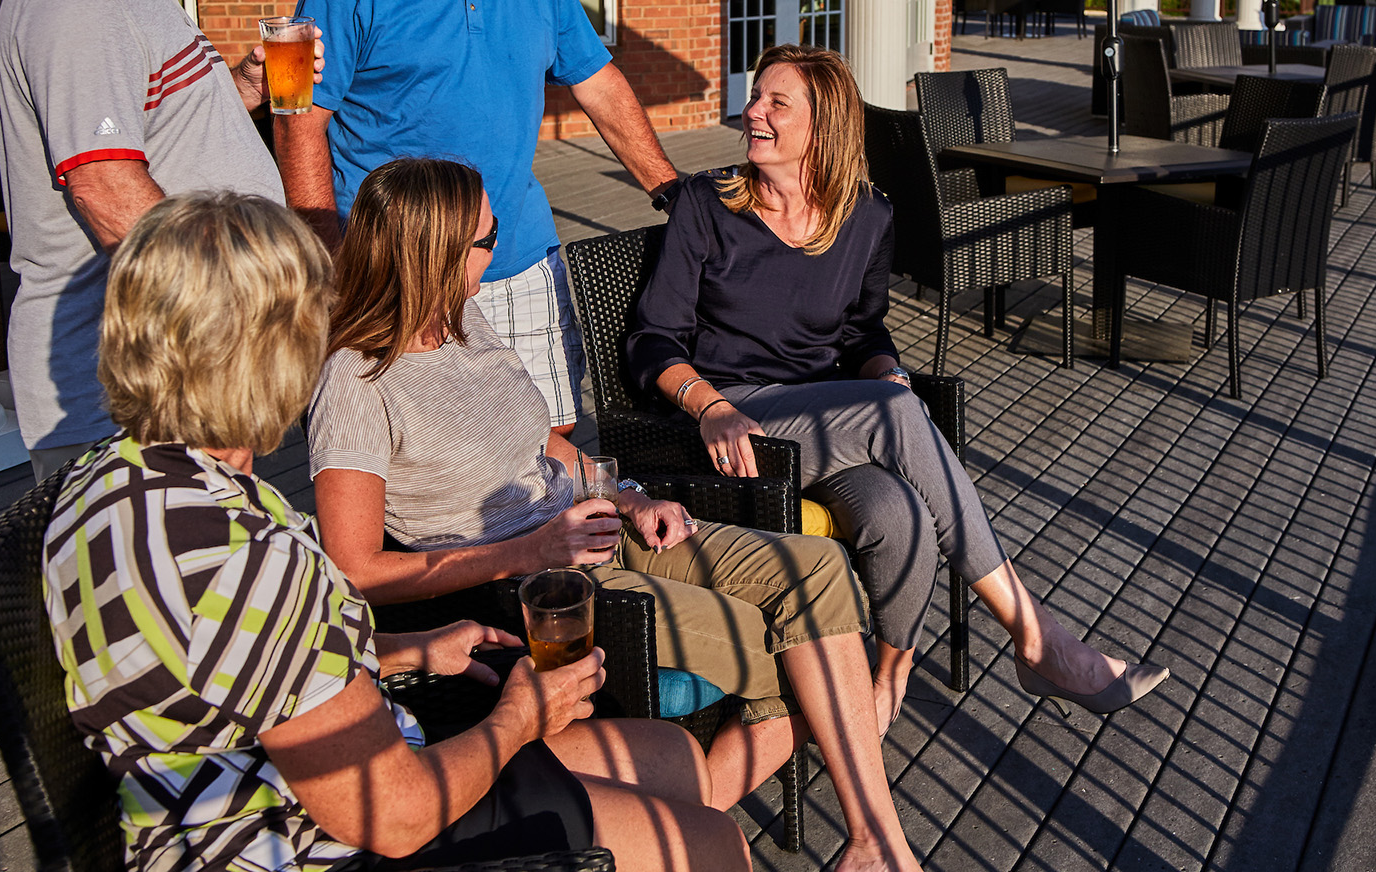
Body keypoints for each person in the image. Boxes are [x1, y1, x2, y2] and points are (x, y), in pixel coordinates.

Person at [43, 191, 748, 872]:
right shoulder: (251, 559)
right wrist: (517, 717)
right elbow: (397, 816)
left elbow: (238, 659)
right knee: (712, 844)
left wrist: (401, 650)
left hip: (260, 783)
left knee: (673, 757)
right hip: (300, 839)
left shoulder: (102, 479)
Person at [307, 158, 921, 872]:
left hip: (593, 522)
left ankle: (868, 840)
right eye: (484, 239)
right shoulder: (355, 376)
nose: (496, 249)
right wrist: (530, 552)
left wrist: (630, 497)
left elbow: (541, 440)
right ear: (432, 252)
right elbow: (354, 570)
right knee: (788, 646)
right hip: (535, 586)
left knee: (818, 569)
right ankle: (691, 825)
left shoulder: (460, 317)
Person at [626, 45, 1171, 731]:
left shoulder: (867, 216)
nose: (752, 111)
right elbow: (652, 340)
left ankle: (889, 677)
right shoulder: (706, 206)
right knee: (891, 413)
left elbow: (863, 331)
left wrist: (886, 373)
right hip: (736, 424)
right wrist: (710, 407)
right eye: (755, 95)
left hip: (826, 423)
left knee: (897, 513)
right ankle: (1039, 639)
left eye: (775, 102)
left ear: (823, 128)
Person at [276, 0, 679, 439]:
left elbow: (596, 80)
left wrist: (667, 186)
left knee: (551, 441)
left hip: (518, 253)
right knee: (416, 454)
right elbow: (297, 122)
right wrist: (333, 258)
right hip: (396, 269)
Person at [0, 0, 320, 481]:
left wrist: (240, 87)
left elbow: (155, 135)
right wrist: (223, 358)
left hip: (173, 379)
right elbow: (106, 191)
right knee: (169, 591)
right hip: (140, 396)